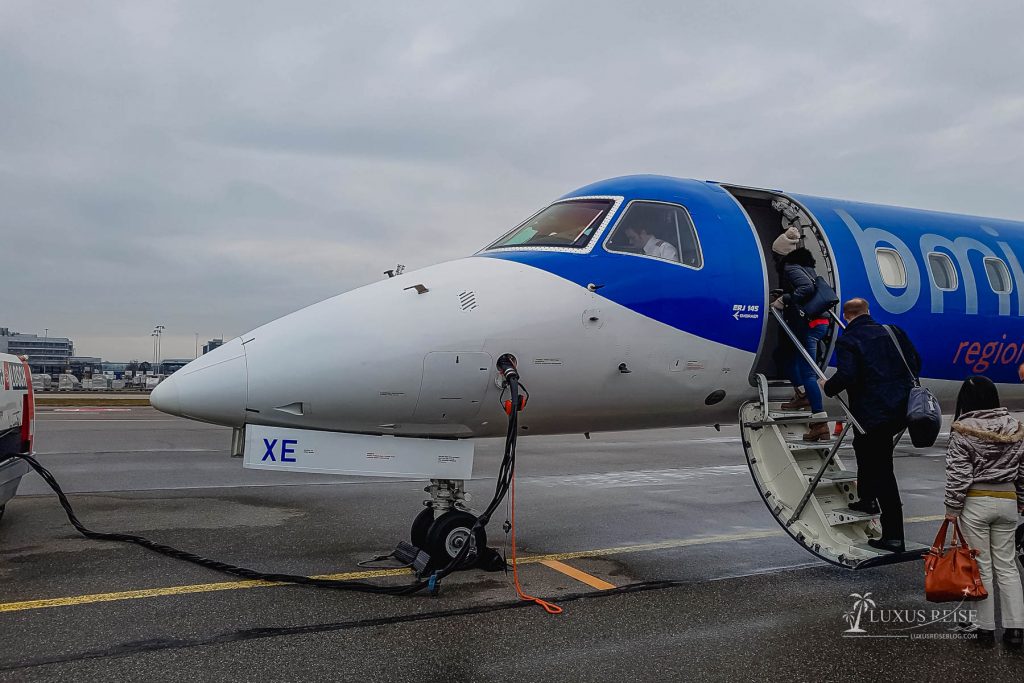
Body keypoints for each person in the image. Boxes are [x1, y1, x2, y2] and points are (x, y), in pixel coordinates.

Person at [822, 298, 920, 552]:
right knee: (863, 448)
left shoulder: (849, 340)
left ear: (847, 317)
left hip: (871, 413)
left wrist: (828, 387)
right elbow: (916, 362)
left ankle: (894, 535)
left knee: (883, 470)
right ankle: (867, 499)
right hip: (899, 410)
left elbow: (848, 375)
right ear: (868, 312)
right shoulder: (893, 331)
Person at [944, 376, 1024, 649]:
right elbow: (1022, 470)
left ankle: (985, 629)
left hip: (977, 502)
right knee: (1009, 566)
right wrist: (1021, 499)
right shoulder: (1015, 426)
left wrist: (952, 509)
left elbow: (958, 476)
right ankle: (1015, 630)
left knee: (981, 568)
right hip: (1008, 500)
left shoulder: (963, 429)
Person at [770, 230, 830, 441]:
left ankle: (820, 422)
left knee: (808, 372)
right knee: (784, 356)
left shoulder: (791, 267)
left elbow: (805, 287)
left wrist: (785, 299)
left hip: (810, 325)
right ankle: (803, 395)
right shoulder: (804, 267)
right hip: (815, 322)